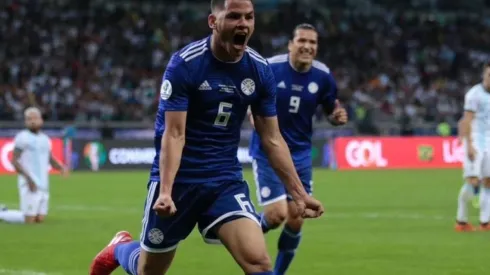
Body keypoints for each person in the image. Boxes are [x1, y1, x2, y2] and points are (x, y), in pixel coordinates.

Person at [89, 1, 324, 275]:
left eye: (249, 17)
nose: (244, 24)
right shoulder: (185, 64)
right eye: (234, 16)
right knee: (148, 271)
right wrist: (165, 191)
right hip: (180, 180)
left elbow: (272, 138)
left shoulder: (259, 70)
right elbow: (174, 134)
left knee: (259, 263)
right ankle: (121, 247)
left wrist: (299, 194)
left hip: (224, 180)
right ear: (213, 21)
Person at [247, 23, 348, 274]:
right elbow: (252, 105)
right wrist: (257, 121)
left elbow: (330, 106)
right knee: (276, 214)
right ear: (291, 44)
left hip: (300, 154)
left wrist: (337, 115)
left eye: (312, 43)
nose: (307, 46)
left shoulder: (323, 76)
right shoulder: (270, 68)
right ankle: (240, 231)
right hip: (269, 151)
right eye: (302, 41)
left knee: (297, 217)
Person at [0, 107, 68, 224]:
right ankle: (2, 213)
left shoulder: (45, 139)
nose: (32, 121)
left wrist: (61, 167)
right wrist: (28, 179)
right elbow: (14, 161)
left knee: (39, 219)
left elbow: (50, 158)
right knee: (29, 220)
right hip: (29, 183)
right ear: (25, 122)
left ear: (41, 120)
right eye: (29, 119)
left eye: (35, 118)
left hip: (43, 184)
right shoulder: (22, 137)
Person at [455, 62, 490, 232]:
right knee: (472, 182)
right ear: (484, 75)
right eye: (489, 75)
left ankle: (485, 222)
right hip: (475, 140)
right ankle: (461, 221)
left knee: (488, 182)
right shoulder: (474, 94)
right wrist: (468, 145)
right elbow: (467, 120)